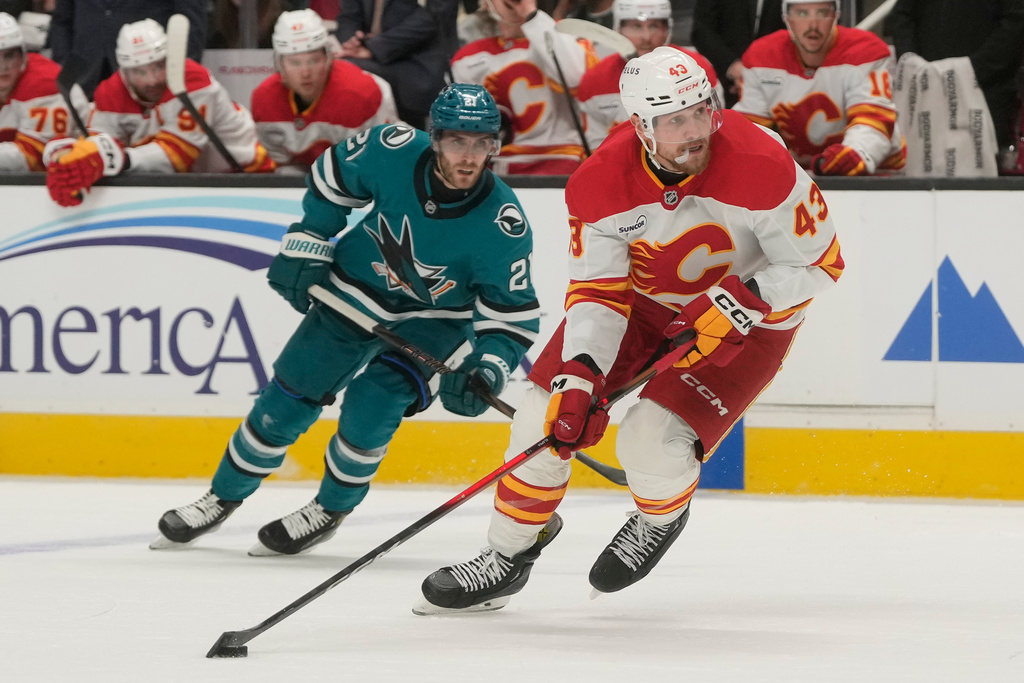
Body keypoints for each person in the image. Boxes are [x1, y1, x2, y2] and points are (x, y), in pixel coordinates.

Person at [415, 46, 843, 614]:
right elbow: (598, 293)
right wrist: (581, 373)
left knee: (649, 443)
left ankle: (659, 517)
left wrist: (747, 298)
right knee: (542, 416)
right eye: (675, 121)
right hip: (642, 307)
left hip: (749, 319)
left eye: (700, 111)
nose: (695, 131)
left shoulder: (763, 161)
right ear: (641, 125)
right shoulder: (599, 184)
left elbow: (821, 264)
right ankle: (507, 554)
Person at [150, 84, 541, 557]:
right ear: (435, 138)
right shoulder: (392, 149)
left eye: (482, 143)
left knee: (372, 403)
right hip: (354, 291)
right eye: (458, 141)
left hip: (436, 320)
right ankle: (221, 496)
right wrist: (311, 237)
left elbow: (512, 316)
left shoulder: (503, 223)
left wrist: (489, 367)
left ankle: (330, 509)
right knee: (288, 398)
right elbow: (333, 177)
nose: (470, 156)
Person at [43, 18, 275, 208]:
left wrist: (117, 158)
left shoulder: (194, 81)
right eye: (139, 72)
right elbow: (99, 145)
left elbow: (177, 156)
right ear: (124, 70)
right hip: (179, 188)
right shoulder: (110, 92)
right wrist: (66, 154)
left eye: (158, 66)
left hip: (249, 180)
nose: (152, 80)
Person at [733, 0, 906, 176]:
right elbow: (750, 131)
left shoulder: (866, 50)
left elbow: (873, 120)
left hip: (879, 171)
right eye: (802, 13)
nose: (813, 25)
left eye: (822, 13)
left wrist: (857, 153)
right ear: (787, 17)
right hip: (806, 173)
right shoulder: (761, 56)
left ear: (836, 15)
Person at [451, 0, 599, 174]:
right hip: (498, 165)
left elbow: (574, 78)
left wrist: (531, 14)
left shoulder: (567, 38)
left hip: (560, 160)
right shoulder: (469, 57)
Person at [251, 9, 399, 171]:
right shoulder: (264, 99)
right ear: (280, 65)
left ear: (328, 59)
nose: (305, 73)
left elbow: (382, 162)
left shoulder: (362, 93)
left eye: (313, 60)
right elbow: (277, 165)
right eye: (295, 63)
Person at [885, 0, 1024, 154]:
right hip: (927, 87)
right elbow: (902, 15)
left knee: (975, 161)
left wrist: (972, 69)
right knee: (919, 159)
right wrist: (914, 64)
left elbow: (1016, 22)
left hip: (985, 90)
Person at [577, 0, 722, 146]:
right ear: (618, 29)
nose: (646, 37)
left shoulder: (696, 68)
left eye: (654, 26)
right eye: (636, 26)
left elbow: (714, 130)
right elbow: (596, 147)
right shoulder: (596, 80)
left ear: (667, 29)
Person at [334, 0, 458, 130]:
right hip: (368, 52)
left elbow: (435, 15)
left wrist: (374, 48)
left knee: (347, 72)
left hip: (417, 59)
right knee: (337, 70)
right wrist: (351, 42)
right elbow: (348, 16)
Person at [48, 0, 207, 98]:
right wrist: (64, 65)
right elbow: (61, 20)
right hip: (84, 74)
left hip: (151, 76)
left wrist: (180, 72)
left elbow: (189, 20)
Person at [0, 12, 84, 172]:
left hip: (71, 176)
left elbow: (35, 158)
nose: (3, 66)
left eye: (9, 56)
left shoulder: (44, 84)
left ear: (23, 54)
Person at [691, 0, 785, 107]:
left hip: (778, 81)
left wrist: (759, 72)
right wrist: (733, 67)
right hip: (726, 83)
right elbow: (701, 31)